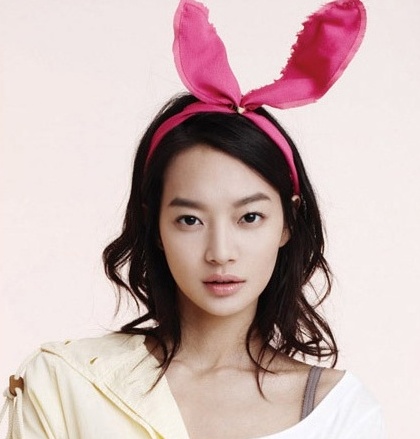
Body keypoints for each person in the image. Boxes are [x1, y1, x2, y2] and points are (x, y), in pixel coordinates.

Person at [1, 0, 384, 438]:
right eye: (189, 220)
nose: (220, 252)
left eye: (250, 217)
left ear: (287, 224)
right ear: (155, 226)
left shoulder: (340, 413)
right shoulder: (66, 384)